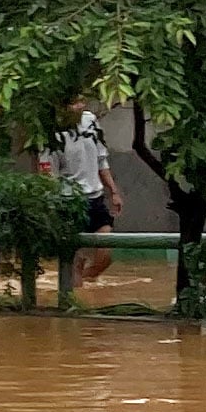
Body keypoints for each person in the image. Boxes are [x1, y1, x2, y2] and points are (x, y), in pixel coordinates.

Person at [57, 106, 125, 283]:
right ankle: (73, 292)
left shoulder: (90, 120)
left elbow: (101, 160)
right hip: (69, 201)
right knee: (75, 263)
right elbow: (48, 175)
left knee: (105, 256)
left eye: (81, 100)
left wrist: (113, 191)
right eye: (73, 102)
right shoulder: (53, 130)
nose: (79, 105)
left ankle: (86, 283)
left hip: (95, 198)